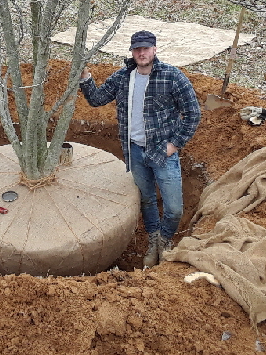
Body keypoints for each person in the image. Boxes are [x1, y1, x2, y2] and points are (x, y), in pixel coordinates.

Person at [79, 30, 200, 268]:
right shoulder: (124, 76)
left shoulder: (172, 77)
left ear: (154, 50)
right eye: (137, 49)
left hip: (162, 153)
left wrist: (174, 145)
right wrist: (84, 75)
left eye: (145, 48)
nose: (141, 53)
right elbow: (96, 99)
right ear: (132, 52)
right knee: (146, 200)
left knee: (174, 209)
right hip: (135, 150)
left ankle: (164, 240)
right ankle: (153, 238)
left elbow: (193, 114)